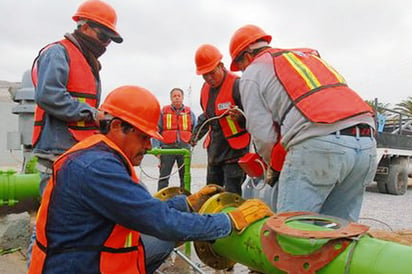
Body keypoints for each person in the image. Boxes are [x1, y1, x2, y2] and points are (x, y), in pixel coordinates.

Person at [27, 85, 273, 274]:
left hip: (85, 254)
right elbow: (161, 221)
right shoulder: (97, 169)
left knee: (162, 238)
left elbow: (140, 209)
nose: (149, 145)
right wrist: (229, 221)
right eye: (144, 137)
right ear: (117, 127)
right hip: (76, 267)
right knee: (165, 232)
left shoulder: (99, 153)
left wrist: (187, 204)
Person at [229, 24, 377, 221]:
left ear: (247, 56)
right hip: (366, 142)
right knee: (340, 234)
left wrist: (272, 169)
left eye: (240, 67)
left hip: (319, 142)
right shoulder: (307, 58)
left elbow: (262, 134)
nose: (242, 72)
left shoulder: (253, 71)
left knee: (293, 234)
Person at [27, 0, 122, 265]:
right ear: (84, 27)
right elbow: (49, 96)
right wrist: (93, 114)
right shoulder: (58, 53)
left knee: (69, 228)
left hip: (74, 154)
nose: (106, 44)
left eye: (110, 40)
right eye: (104, 36)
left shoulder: (86, 60)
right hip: (57, 155)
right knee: (50, 229)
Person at [191, 44, 251, 195]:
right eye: (205, 75)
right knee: (211, 195)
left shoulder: (237, 85)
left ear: (221, 66)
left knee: (232, 197)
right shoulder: (205, 90)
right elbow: (206, 116)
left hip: (235, 153)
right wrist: (195, 135)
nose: (209, 78)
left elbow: (254, 116)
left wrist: (241, 118)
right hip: (215, 152)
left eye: (211, 73)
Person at [152, 88, 196, 191]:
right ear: (171, 98)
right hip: (167, 148)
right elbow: (156, 130)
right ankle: (161, 199)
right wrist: (156, 148)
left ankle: (185, 199)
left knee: (185, 177)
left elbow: (195, 130)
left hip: (184, 149)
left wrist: (192, 143)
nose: (177, 98)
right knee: (164, 177)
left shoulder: (190, 113)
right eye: (174, 96)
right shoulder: (163, 112)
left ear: (182, 97)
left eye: (179, 96)